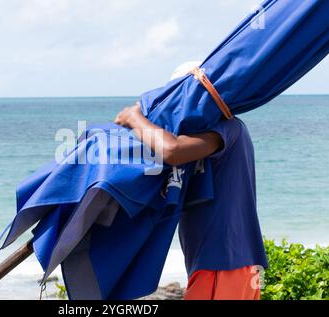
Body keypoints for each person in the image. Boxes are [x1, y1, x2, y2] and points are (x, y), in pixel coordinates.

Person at [114, 62, 268, 300]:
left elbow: (171, 150)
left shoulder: (226, 128)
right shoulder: (198, 139)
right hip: (219, 264)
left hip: (225, 262)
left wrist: (136, 119)